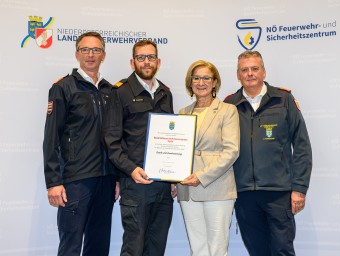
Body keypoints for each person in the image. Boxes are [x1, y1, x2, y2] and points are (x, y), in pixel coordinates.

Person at [224, 50, 312, 255]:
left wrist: (299, 188)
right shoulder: (229, 105)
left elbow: (302, 146)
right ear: (238, 75)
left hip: (279, 193)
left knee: (282, 250)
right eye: (244, 70)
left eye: (255, 68)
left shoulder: (283, 99)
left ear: (264, 71)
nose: (250, 74)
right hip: (244, 193)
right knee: (257, 251)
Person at [43, 31, 120, 256]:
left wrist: (115, 177)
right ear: (77, 54)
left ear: (103, 55)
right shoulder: (63, 88)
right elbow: (51, 139)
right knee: (71, 246)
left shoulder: (110, 91)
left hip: (105, 181)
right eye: (85, 49)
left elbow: (114, 138)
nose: (90, 55)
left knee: (99, 245)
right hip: (75, 182)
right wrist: (53, 182)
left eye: (96, 50)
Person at [103, 40, 174, 256]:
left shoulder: (165, 92)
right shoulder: (120, 92)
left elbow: (170, 139)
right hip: (135, 183)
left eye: (151, 57)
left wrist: (174, 177)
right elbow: (111, 142)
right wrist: (131, 170)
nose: (146, 62)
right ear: (132, 62)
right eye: (141, 57)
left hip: (162, 185)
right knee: (134, 247)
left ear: (158, 61)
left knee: (157, 246)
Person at [176, 60, 240, 256]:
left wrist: (201, 176)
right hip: (187, 188)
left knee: (217, 249)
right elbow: (178, 151)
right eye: (196, 78)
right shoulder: (183, 112)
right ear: (190, 82)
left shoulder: (228, 110)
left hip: (217, 187)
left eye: (206, 78)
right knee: (198, 248)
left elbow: (232, 151)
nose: (201, 82)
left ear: (214, 83)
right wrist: (172, 177)